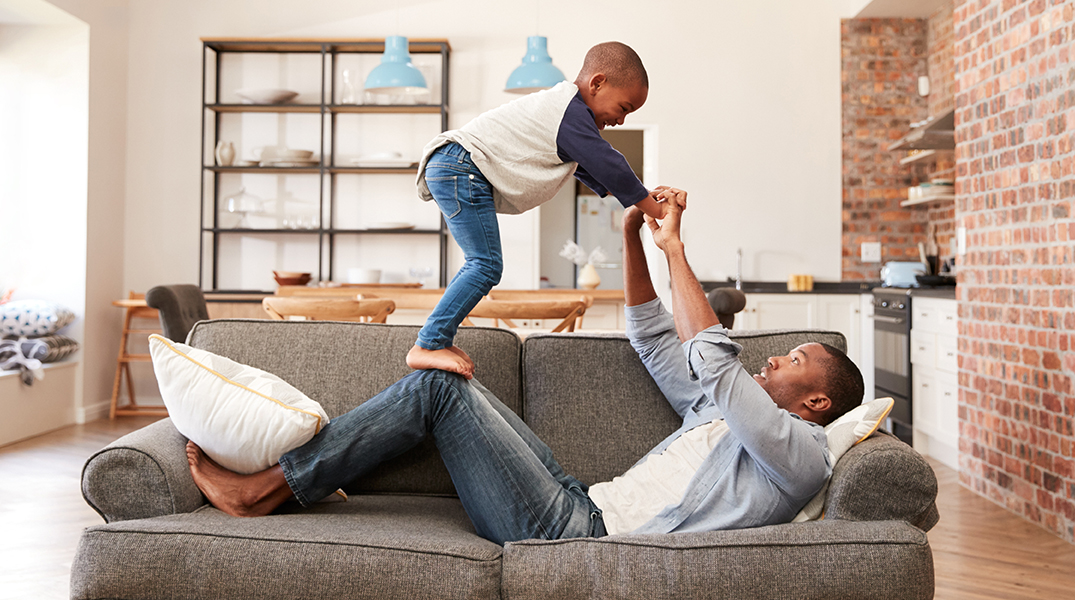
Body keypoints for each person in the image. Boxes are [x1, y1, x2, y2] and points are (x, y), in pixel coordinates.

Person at [187, 190, 864, 544]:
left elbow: (714, 363)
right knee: (446, 379)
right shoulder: (719, 413)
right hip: (577, 497)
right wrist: (629, 236)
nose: (774, 356)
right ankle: (312, 477)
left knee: (436, 386)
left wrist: (675, 248)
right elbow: (653, 336)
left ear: (814, 406)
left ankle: (267, 489)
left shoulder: (796, 452)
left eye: (794, 359)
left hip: (575, 534)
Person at [406, 41, 681, 379]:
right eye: (623, 107)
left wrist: (642, 196)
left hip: (454, 165)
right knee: (485, 265)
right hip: (460, 166)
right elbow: (610, 163)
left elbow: (588, 167)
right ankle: (429, 343)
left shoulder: (565, 117)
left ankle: (438, 339)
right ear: (597, 83)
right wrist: (654, 208)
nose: (621, 120)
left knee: (484, 264)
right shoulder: (568, 110)